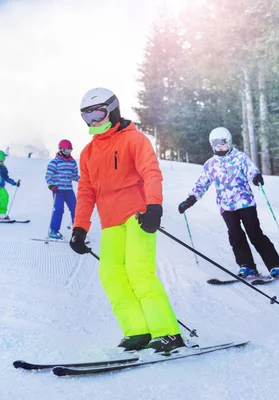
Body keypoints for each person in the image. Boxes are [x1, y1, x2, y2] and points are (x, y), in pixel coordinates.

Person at [69, 87, 184, 354]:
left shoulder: (134, 140)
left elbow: (151, 172)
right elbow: (86, 192)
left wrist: (154, 207)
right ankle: (138, 330)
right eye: (87, 117)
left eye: (97, 114)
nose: (93, 122)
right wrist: (79, 228)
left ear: (113, 110)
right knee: (111, 275)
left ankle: (167, 332)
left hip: (138, 215)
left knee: (139, 272)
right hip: (110, 222)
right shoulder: (87, 153)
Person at [178, 127, 279, 280]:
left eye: (222, 143)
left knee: (255, 233)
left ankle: (275, 266)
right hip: (226, 207)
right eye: (215, 144)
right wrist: (189, 201)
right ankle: (247, 266)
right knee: (235, 236)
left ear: (228, 142)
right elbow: (201, 185)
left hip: (245, 202)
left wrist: (255, 177)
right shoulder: (210, 164)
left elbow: (251, 170)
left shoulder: (240, 158)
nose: (219, 147)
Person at [45, 139, 79, 239]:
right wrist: (51, 185)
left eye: (70, 151)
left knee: (76, 209)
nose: (68, 153)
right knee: (59, 209)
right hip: (58, 190)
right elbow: (48, 176)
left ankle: (77, 231)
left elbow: (74, 175)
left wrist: (83, 180)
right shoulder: (54, 162)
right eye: (66, 151)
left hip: (68, 190)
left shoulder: (72, 162)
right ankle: (53, 231)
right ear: (60, 150)